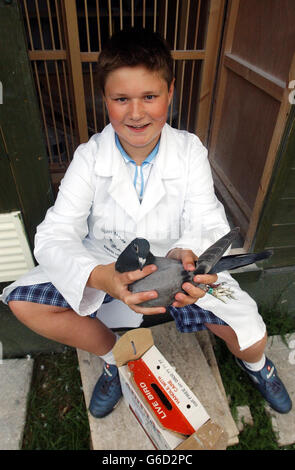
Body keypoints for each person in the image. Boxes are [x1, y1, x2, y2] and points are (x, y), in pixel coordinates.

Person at [1, 29, 291, 419]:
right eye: (121, 99)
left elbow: (207, 217)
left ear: (170, 93)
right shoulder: (89, 157)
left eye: (149, 97)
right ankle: (115, 359)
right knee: (24, 302)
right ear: (105, 100)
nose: (136, 113)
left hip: (182, 272)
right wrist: (100, 276)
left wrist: (184, 254)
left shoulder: (189, 151)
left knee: (251, 338)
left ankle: (259, 368)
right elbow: (54, 235)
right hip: (109, 266)